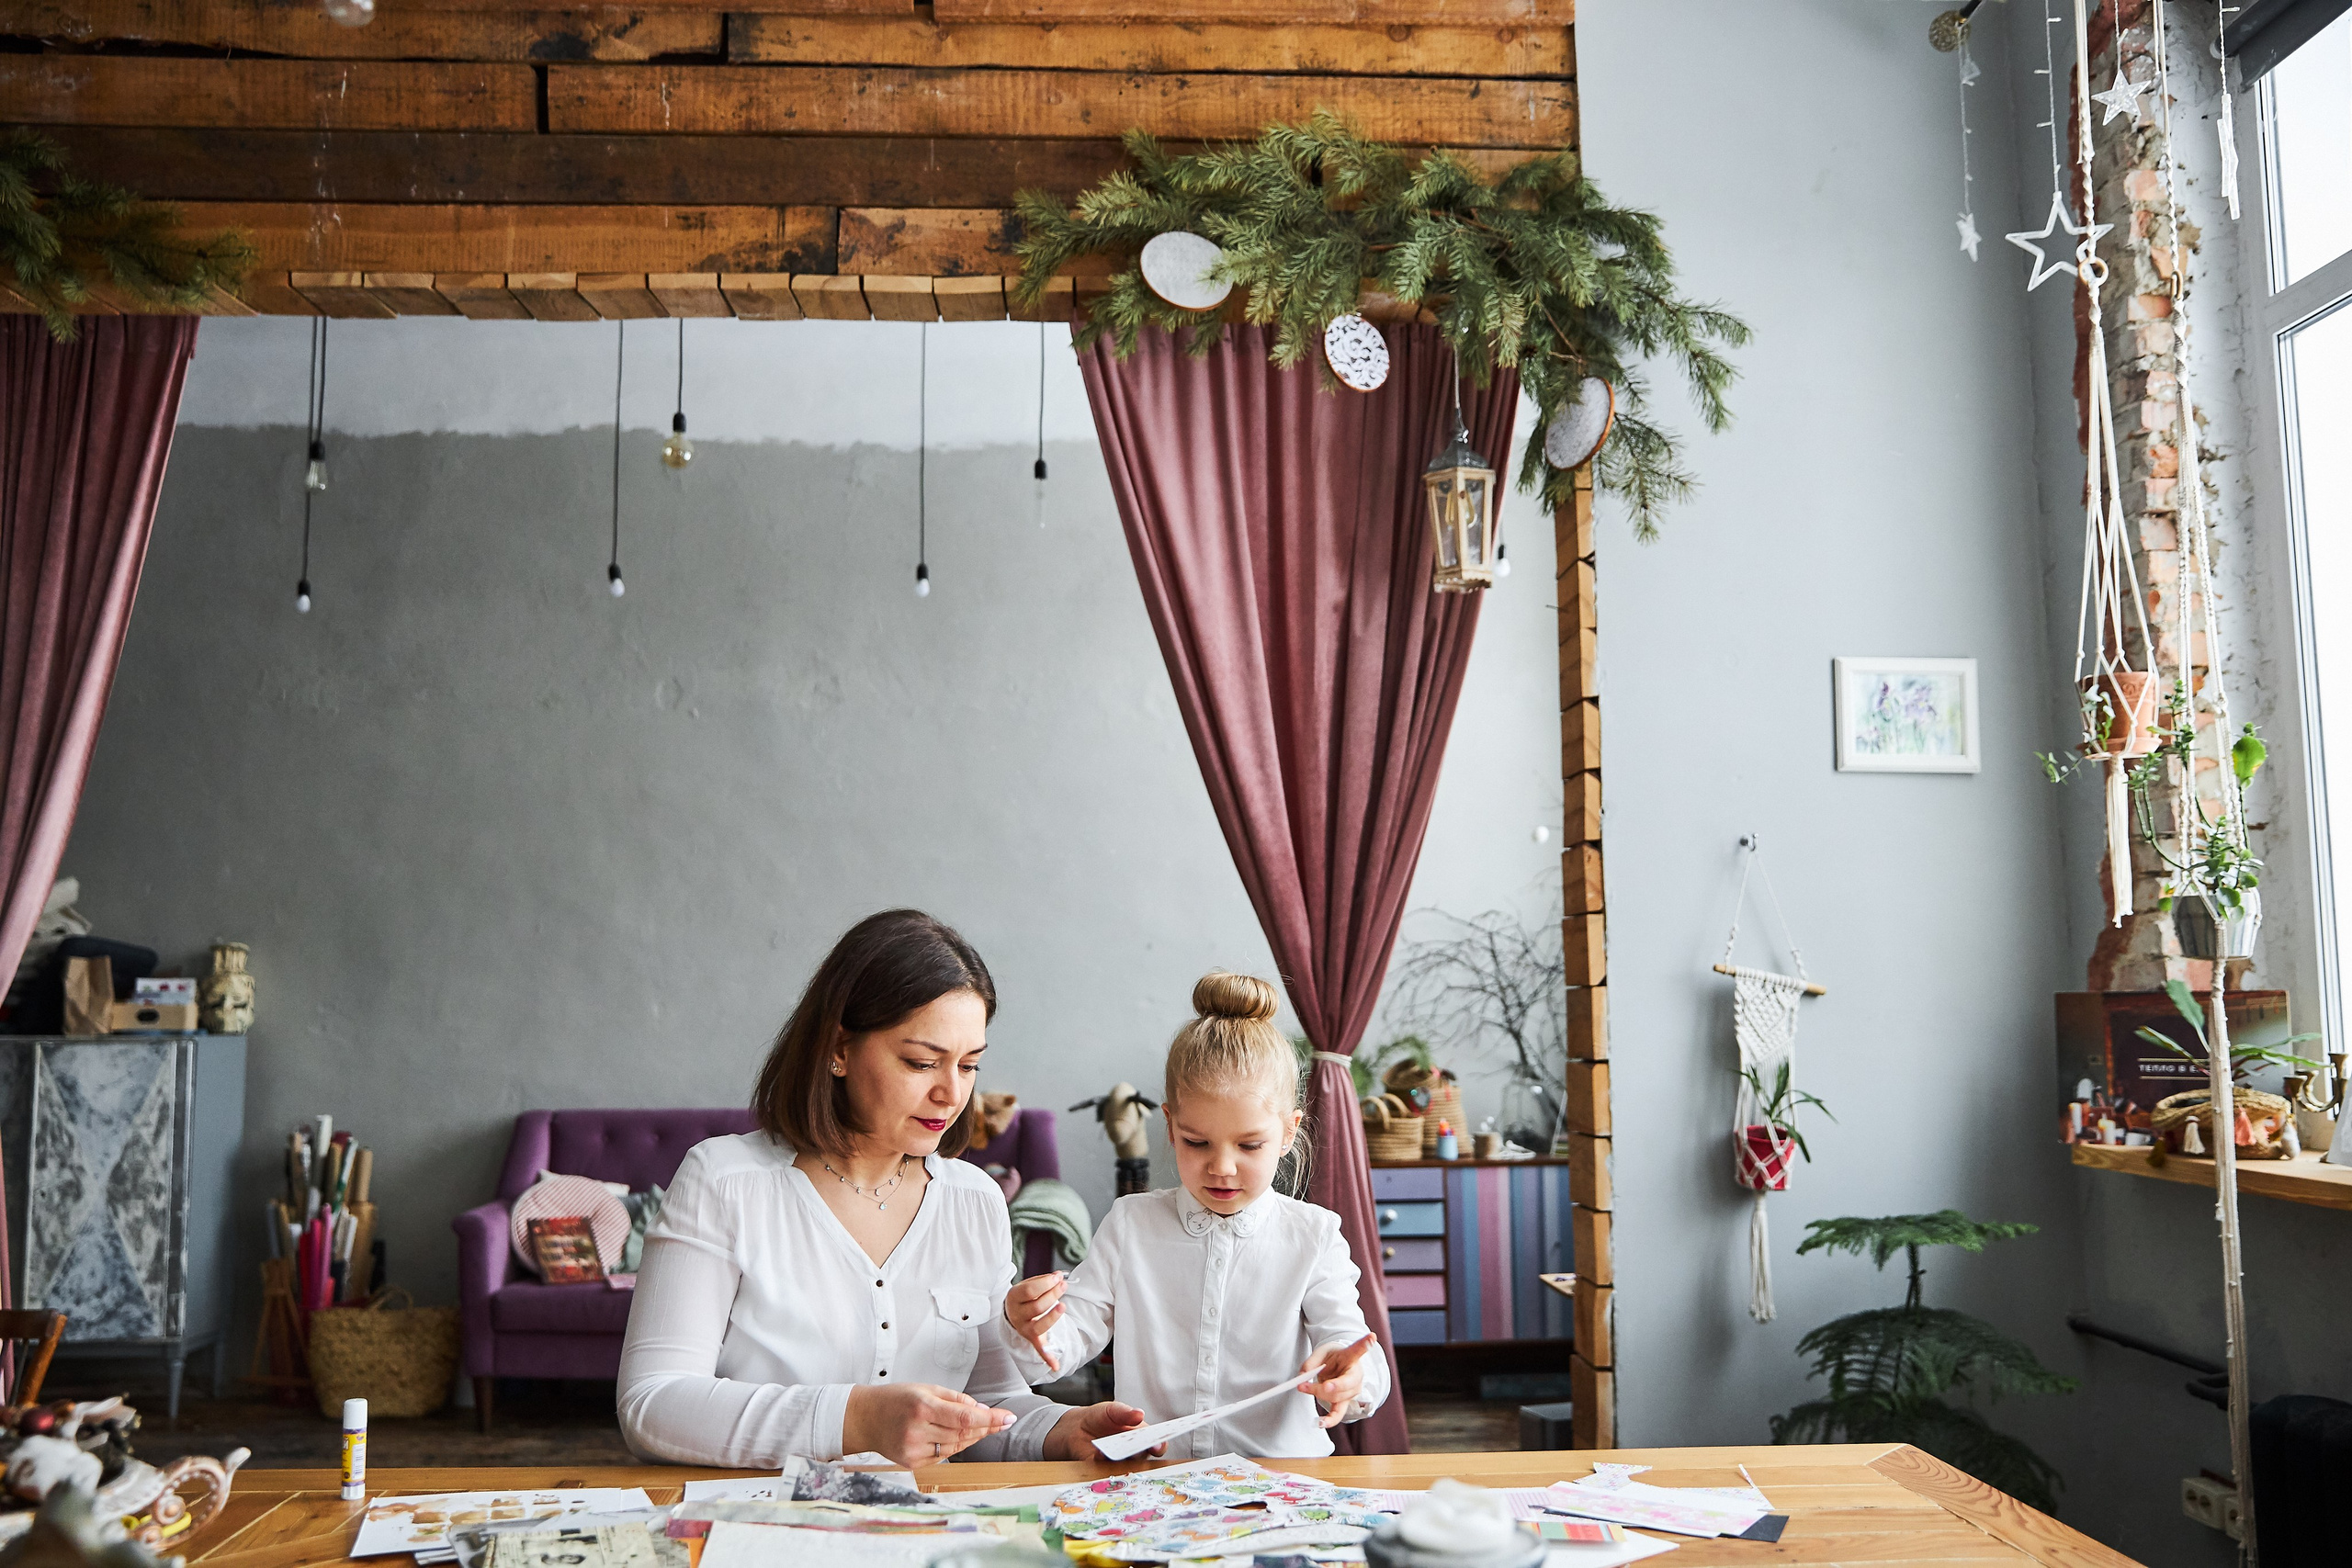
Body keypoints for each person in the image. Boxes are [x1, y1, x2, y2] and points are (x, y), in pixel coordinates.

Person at [616, 908, 1149, 1467]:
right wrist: (857, 1420)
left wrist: (1060, 1430)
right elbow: (652, 1403)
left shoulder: (974, 1201)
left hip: (925, 1531)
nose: (951, 1093)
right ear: (839, 1050)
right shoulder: (724, 1182)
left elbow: (989, 1402)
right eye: (922, 1062)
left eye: (969, 1066)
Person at [1001, 972, 1390, 1459]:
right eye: (1196, 1142)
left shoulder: (1312, 1235)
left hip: (1281, 1486)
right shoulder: (1130, 1225)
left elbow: (1351, 1343)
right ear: (1169, 1125)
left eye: (1249, 1145)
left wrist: (1349, 1374)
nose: (1221, 1167)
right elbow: (1065, 1342)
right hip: (1155, 1485)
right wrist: (1030, 1329)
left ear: (1289, 1132)